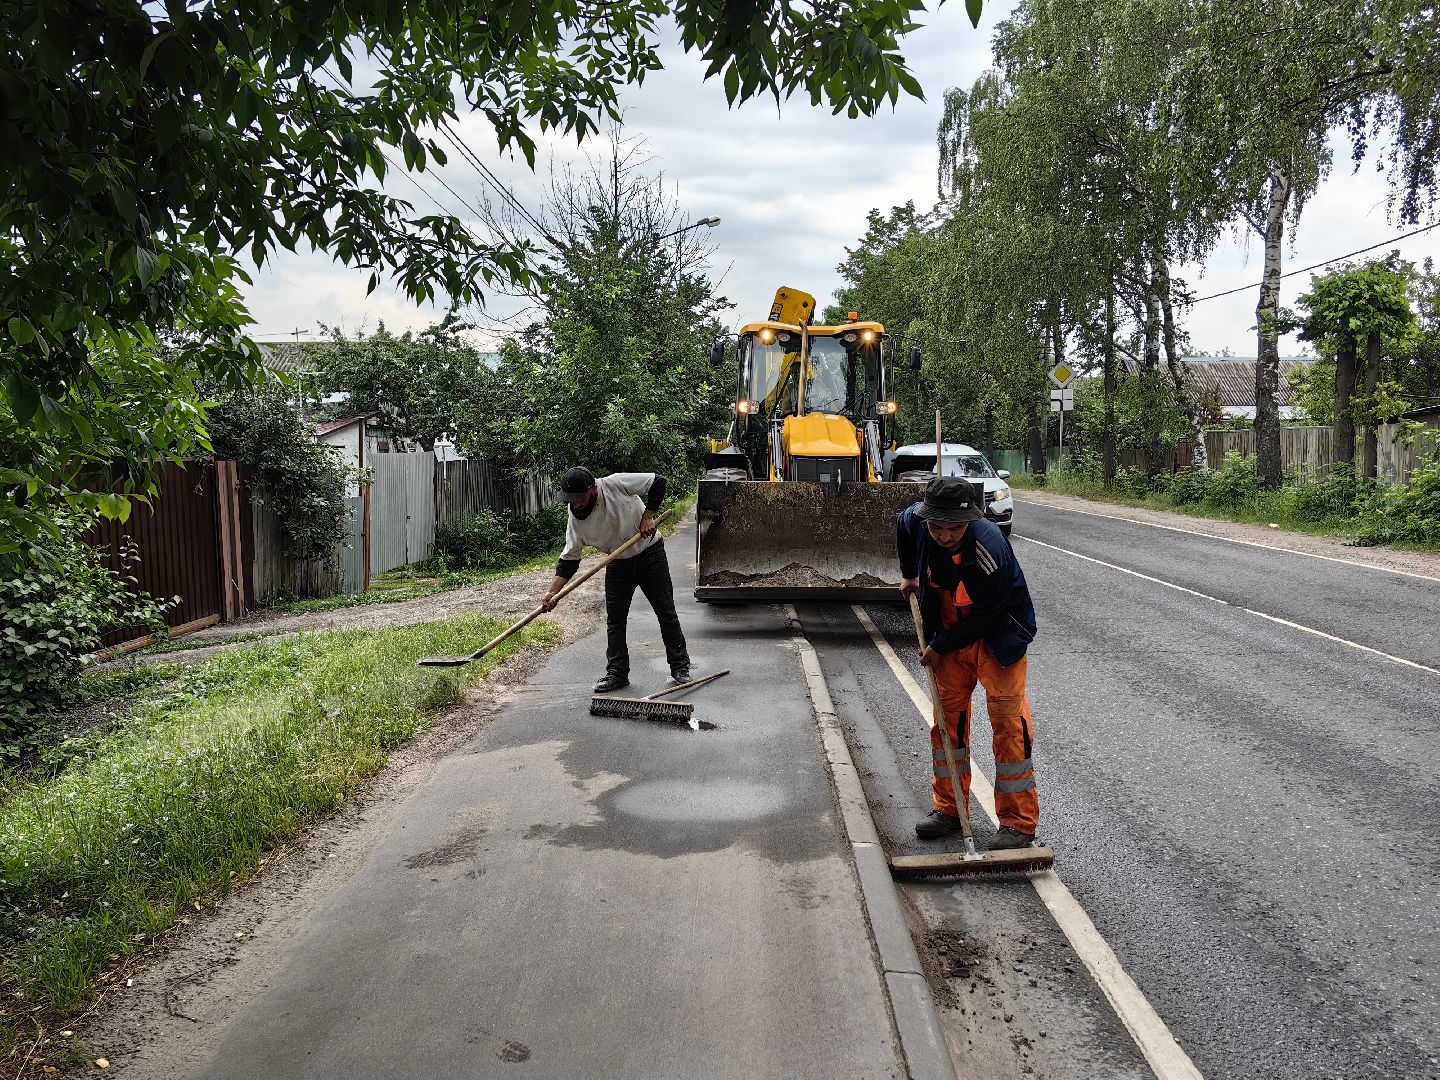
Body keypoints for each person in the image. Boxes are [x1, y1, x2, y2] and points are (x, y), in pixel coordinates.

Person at [897, 476, 1040, 849]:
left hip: (996, 636)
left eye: (954, 528)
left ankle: (1018, 824)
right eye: (938, 527)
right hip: (949, 628)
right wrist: (910, 575)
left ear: (970, 522)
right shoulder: (917, 519)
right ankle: (949, 808)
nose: (944, 536)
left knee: (1008, 724)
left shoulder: (990, 547)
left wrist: (940, 645)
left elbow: (987, 617)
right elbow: (902, 525)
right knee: (947, 721)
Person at [540, 466, 691, 694]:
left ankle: (680, 668)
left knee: (666, 612)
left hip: (650, 554)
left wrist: (647, 516)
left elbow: (659, 481)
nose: (576, 504)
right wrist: (553, 593)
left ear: (592, 489)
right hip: (617, 562)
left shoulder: (615, 484)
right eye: (571, 500)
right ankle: (617, 673)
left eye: (579, 498)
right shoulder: (575, 517)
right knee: (615, 621)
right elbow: (570, 558)